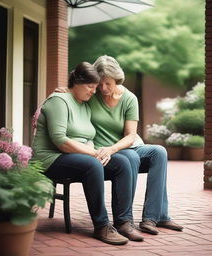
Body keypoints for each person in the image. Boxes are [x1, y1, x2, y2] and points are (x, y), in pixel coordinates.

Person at [32, 62, 143, 245]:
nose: (94, 91)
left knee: (122, 162)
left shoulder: (84, 103)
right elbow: (60, 141)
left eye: (96, 87)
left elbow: (88, 136)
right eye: (91, 87)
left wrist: (99, 152)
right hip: (50, 158)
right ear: (77, 82)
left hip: (77, 157)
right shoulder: (59, 101)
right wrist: (94, 154)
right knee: (92, 165)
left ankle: (123, 221)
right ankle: (101, 226)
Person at [89, 55, 183, 235]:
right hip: (105, 151)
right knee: (131, 157)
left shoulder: (129, 98)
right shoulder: (92, 95)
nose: (103, 88)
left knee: (159, 152)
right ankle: (125, 220)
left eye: (108, 83)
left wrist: (113, 148)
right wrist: (64, 90)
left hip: (123, 146)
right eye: (100, 83)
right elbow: (75, 91)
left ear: (117, 78)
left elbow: (131, 136)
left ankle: (154, 217)